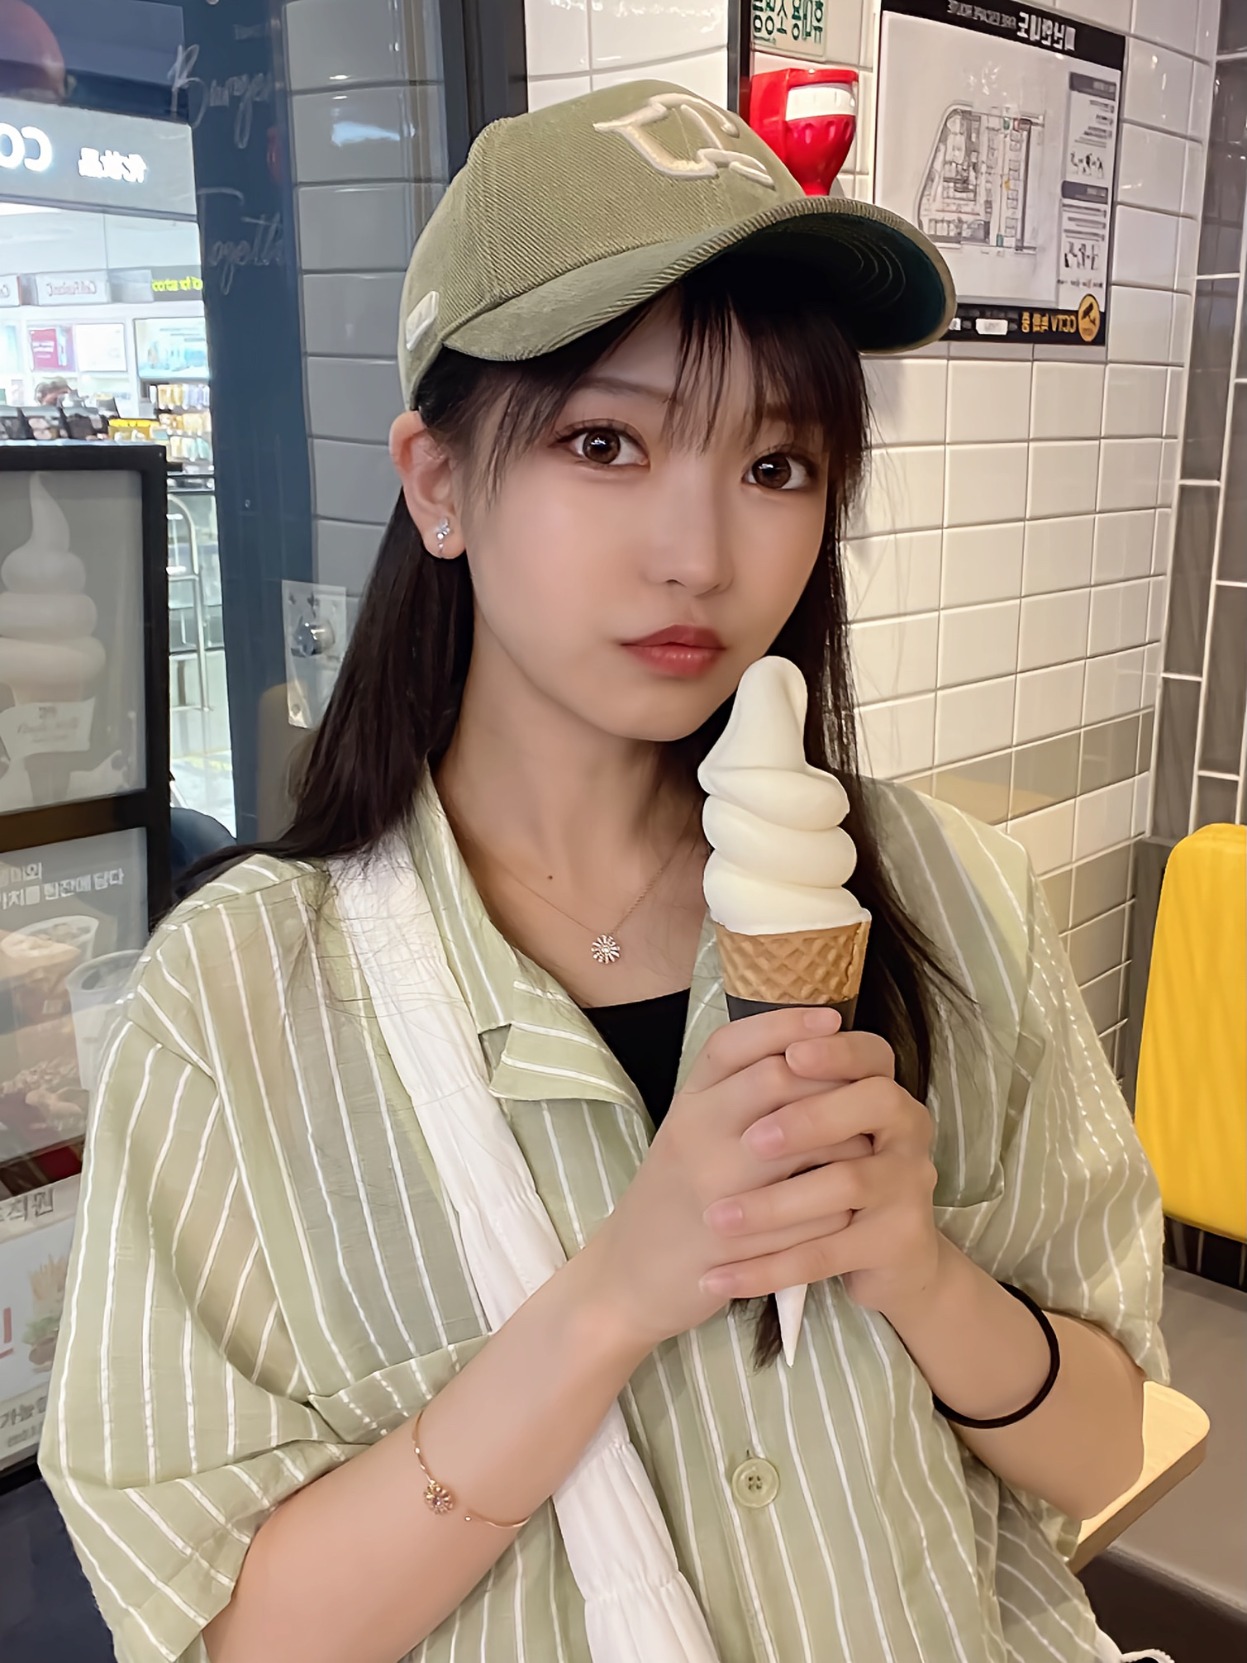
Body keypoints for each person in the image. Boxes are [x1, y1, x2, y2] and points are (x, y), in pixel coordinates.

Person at [41, 84, 1172, 1663]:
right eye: (605, 442)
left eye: (777, 465)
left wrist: (920, 1271)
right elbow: (236, 1636)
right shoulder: (234, 1002)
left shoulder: (956, 900)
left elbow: (1111, 1451)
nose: (699, 553)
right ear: (439, 484)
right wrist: (616, 1293)